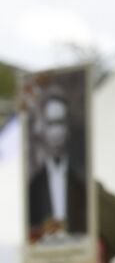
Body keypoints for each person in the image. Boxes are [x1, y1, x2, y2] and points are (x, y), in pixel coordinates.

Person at [26, 91, 87, 237]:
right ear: (43, 129)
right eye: (50, 124)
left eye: (60, 123)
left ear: (68, 127)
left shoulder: (81, 183)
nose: (56, 132)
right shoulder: (33, 188)